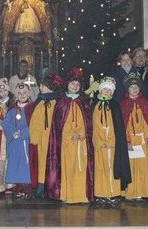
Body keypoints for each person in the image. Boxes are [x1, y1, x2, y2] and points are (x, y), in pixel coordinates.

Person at [45, 68, 94, 204]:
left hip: (81, 142)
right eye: (72, 84)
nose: (75, 87)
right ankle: (66, 194)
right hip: (66, 143)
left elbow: (88, 123)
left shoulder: (83, 102)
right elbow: (58, 125)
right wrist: (70, 135)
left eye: (77, 85)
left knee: (81, 168)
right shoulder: (62, 103)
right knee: (67, 168)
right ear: (67, 84)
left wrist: (81, 135)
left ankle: (82, 195)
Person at [91, 76, 130, 204]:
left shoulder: (114, 106)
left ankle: (113, 194)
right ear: (100, 91)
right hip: (99, 144)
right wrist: (101, 142)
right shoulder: (95, 106)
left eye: (109, 90)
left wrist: (111, 142)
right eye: (104, 90)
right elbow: (94, 126)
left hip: (112, 144)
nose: (106, 92)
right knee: (100, 169)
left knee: (112, 167)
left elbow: (117, 127)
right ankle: (101, 194)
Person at [119, 73, 148, 200]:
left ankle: (142, 192)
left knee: (143, 167)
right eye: (131, 87)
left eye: (137, 87)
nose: (134, 89)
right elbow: (124, 124)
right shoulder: (124, 104)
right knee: (131, 167)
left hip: (143, 140)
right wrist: (126, 141)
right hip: (131, 140)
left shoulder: (145, 103)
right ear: (127, 89)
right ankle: (130, 192)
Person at [29, 71, 63, 198]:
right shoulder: (40, 102)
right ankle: (42, 188)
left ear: (49, 86)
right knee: (42, 163)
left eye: (42, 85)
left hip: (55, 139)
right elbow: (35, 122)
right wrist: (35, 138)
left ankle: (55, 187)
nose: (40, 88)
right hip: (42, 140)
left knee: (55, 163)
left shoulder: (58, 102)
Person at [2, 84, 34, 198]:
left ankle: (27, 189)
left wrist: (23, 133)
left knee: (26, 165)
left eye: (24, 93)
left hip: (26, 142)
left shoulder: (32, 108)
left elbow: (33, 123)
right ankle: (18, 188)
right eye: (19, 94)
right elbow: (6, 123)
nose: (22, 95)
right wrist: (12, 133)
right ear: (16, 96)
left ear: (28, 94)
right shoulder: (12, 110)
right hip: (15, 143)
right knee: (16, 165)